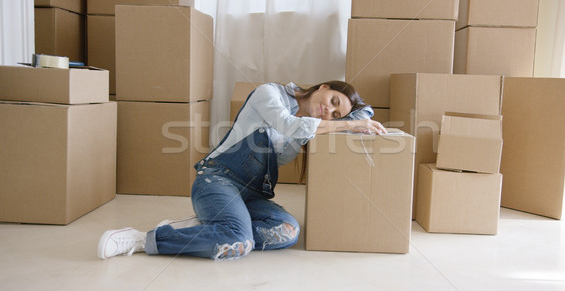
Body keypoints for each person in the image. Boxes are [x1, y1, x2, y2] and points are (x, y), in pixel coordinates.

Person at [97, 81, 387, 260]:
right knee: (237, 240)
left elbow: (364, 113)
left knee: (288, 231)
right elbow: (288, 124)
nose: (330, 112)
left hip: (249, 195)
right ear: (324, 87)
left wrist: (357, 117)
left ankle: (212, 228)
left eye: (337, 114)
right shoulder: (269, 94)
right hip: (216, 181)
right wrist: (349, 123)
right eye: (333, 102)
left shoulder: (304, 129)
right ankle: (141, 239)